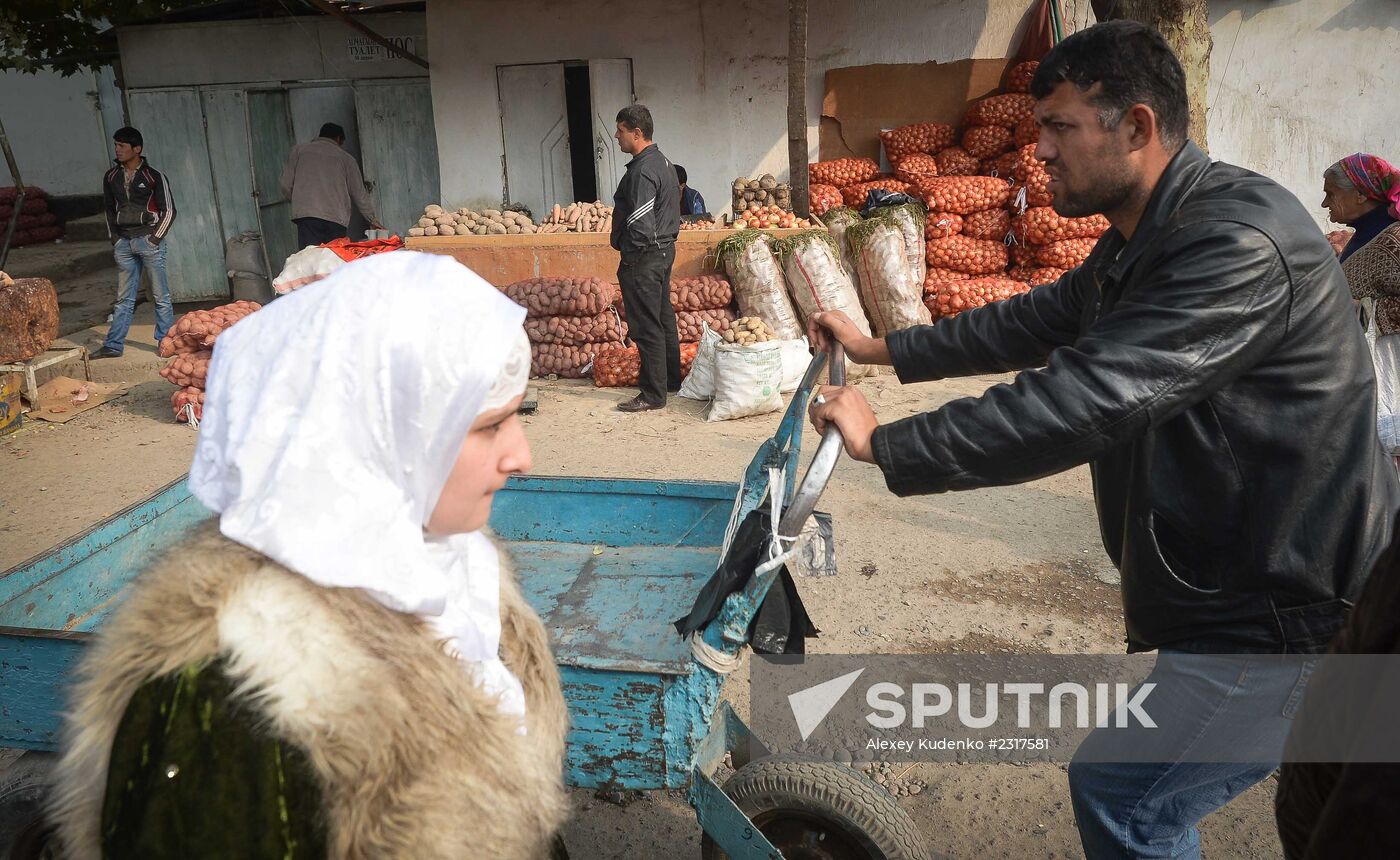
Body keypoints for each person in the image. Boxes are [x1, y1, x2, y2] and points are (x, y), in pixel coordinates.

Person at [806, 21, 1399, 859]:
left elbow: (1089, 398)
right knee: (1293, 814)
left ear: (1138, 127)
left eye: (1059, 127)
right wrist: (884, 348)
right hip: (1243, 578)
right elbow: (1041, 318)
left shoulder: (1233, 243)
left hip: (1287, 602)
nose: (1037, 150)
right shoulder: (1153, 229)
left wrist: (889, 445)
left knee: (1126, 794)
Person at [46, 253, 569, 859]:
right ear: (378, 432)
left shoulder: (461, 573)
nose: (522, 456)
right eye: (490, 427)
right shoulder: (234, 702)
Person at [609, 105, 681, 412]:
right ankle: (671, 381)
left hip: (645, 256)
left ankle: (653, 394)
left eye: (621, 130)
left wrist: (630, 257)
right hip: (663, 252)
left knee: (646, 326)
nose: (616, 136)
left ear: (637, 134)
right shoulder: (663, 162)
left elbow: (640, 222)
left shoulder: (642, 170)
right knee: (663, 319)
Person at [91, 127, 175, 360]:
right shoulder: (111, 176)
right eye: (116, 145)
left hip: (148, 241)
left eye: (122, 146)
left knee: (161, 296)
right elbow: (109, 210)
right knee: (123, 299)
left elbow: (169, 210)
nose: (117, 149)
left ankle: (165, 342)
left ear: (136, 149)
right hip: (124, 243)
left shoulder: (154, 176)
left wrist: (154, 238)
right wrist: (115, 240)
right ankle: (113, 345)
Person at [279, 122, 383, 250]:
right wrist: (372, 220)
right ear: (339, 139)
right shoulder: (346, 159)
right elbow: (359, 194)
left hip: (307, 218)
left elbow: (285, 185)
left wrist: (301, 201)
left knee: (310, 260)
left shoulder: (299, 151)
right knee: (333, 260)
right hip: (336, 219)